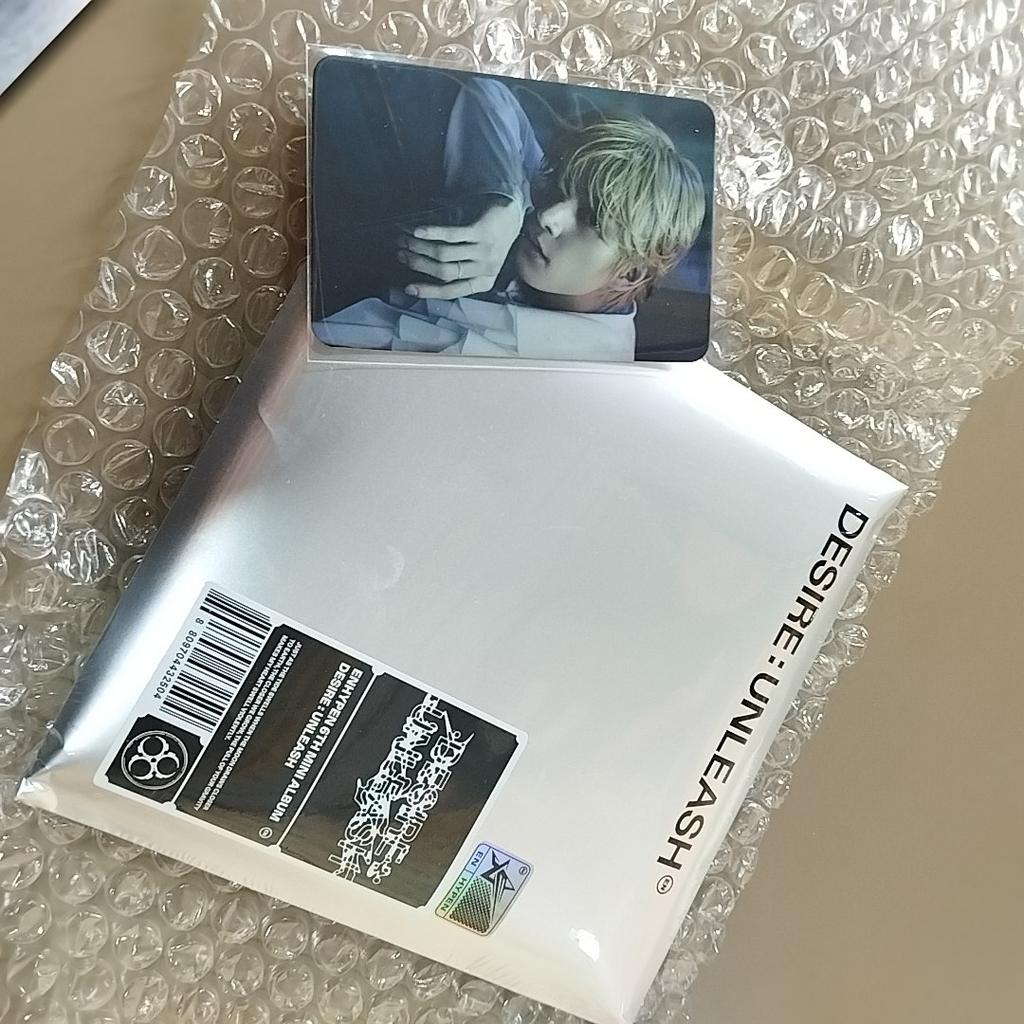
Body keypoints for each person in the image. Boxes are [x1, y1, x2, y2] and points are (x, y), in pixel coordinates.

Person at [314, 75, 706, 361]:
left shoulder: (565, 375)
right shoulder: (548, 229)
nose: (549, 215)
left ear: (631, 273)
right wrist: (504, 199)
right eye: (560, 188)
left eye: (592, 219)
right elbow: (488, 93)